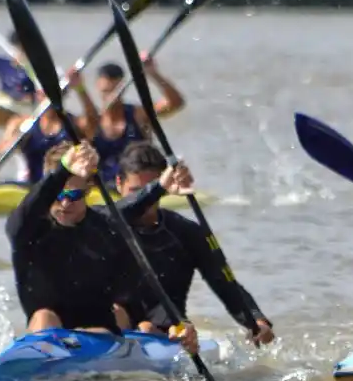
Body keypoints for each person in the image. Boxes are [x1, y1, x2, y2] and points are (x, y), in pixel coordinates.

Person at [113, 142, 275, 346]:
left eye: (153, 191)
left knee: (147, 327)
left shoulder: (186, 232)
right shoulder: (101, 224)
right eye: (136, 192)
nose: (145, 202)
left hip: (171, 329)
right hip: (114, 322)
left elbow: (225, 283)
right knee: (115, 313)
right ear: (118, 184)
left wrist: (257, 320)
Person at [5, 141, 151, 339]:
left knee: (121, 313)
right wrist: (63, 170)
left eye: (74, 195)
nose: (65, 203)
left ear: (89, 190)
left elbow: (133, 205)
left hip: (99, 330)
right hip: (48, 332)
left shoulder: (105, 226)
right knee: (43, 317)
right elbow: (28, 209)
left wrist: (162, 186)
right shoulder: (27, 229)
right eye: (58, 195)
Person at [0, 68, 100, 187]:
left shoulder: (76, 124)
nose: (49, 99)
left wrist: (80, 88)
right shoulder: (20, 124)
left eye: (53, 95)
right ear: (38, 95)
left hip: (65, 189)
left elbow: (94, 122)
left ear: (63, 95)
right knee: (2, 185)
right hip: (28, 187)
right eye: (45, 95)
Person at [87, 59, 185, 185]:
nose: (110, 98)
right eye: (106, 92)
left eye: (114, 92)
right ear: (97, 87)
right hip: (104, 188)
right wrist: (79, 88)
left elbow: (176, 103)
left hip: (140, 183)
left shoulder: (139, 115)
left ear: (123, 87)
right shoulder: (91, 122)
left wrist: (153, 72)